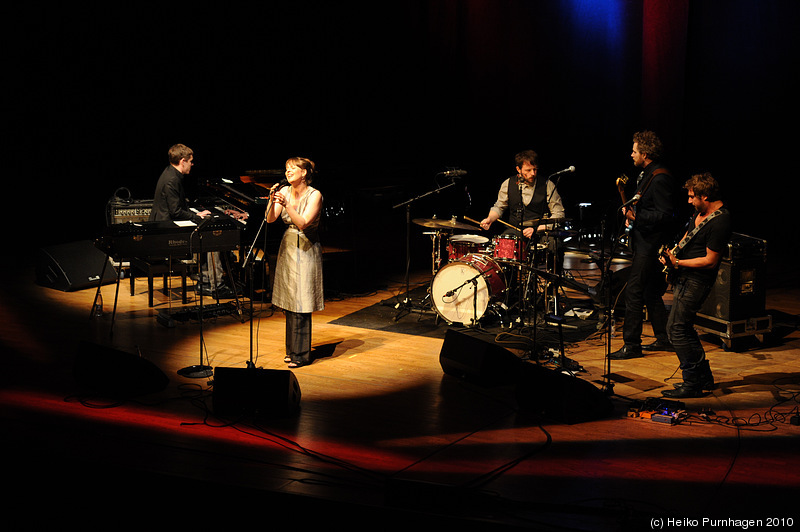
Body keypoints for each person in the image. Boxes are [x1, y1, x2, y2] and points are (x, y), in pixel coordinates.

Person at [660, 173, 731, 398]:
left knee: (677, 330)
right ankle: (704, 378)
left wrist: (678, 262)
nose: (689, 201)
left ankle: (692, 383)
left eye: (693, 197)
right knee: (682, 327)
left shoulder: (721, 220)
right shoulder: (700, 213)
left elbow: (710, 261)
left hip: (697, 281)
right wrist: (673, 254)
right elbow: (689, 236)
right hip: (684, 276)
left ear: (706, 196)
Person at [610, 131, 677, 359]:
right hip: (644, 242)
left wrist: (636, 217)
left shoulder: (660, 178)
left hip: (652, 245)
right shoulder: (646, 174)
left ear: (645, 154)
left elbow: (666, 214)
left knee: (634, 290)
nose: (631, 155)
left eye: (634, 151)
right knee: (649, 291)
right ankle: (664, 338)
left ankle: (632, 344)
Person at [149, 144, 232, 298]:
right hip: (166, 229)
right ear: (183, 161)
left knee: (207, 230)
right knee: (213, 237)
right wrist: (197, 216)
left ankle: (207, 278)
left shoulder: (170, 173)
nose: (192, 164)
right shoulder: (172, 180)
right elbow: (175, 212)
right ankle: (216, 285)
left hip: (166, 223)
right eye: (190, 161)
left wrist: (195, 213)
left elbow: (177, 208)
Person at [266, 157, 324, 368]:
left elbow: (303, 223)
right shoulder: (285, 192)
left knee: (302, 300)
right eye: (286, 168)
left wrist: (288, 204)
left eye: (292, 169)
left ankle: (302, 354)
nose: (288, 172)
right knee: (290, 300)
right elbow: (271, 219)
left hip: (306, 247)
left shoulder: (314, 195)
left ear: (304, 173)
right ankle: (292, 350)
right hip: (288, 246)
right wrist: (274, 199)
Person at [479, 149, 565, 243]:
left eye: (535, 169)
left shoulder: (548, 185)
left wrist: (538, 229)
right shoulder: (508, 184)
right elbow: (499, 207)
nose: (533, 173)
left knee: (553, 243)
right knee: (505, 242)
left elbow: (559, 214)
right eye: (528, 170)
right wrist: (489, 219)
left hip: (540, 231)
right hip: (515, 230)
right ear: (518, 169)